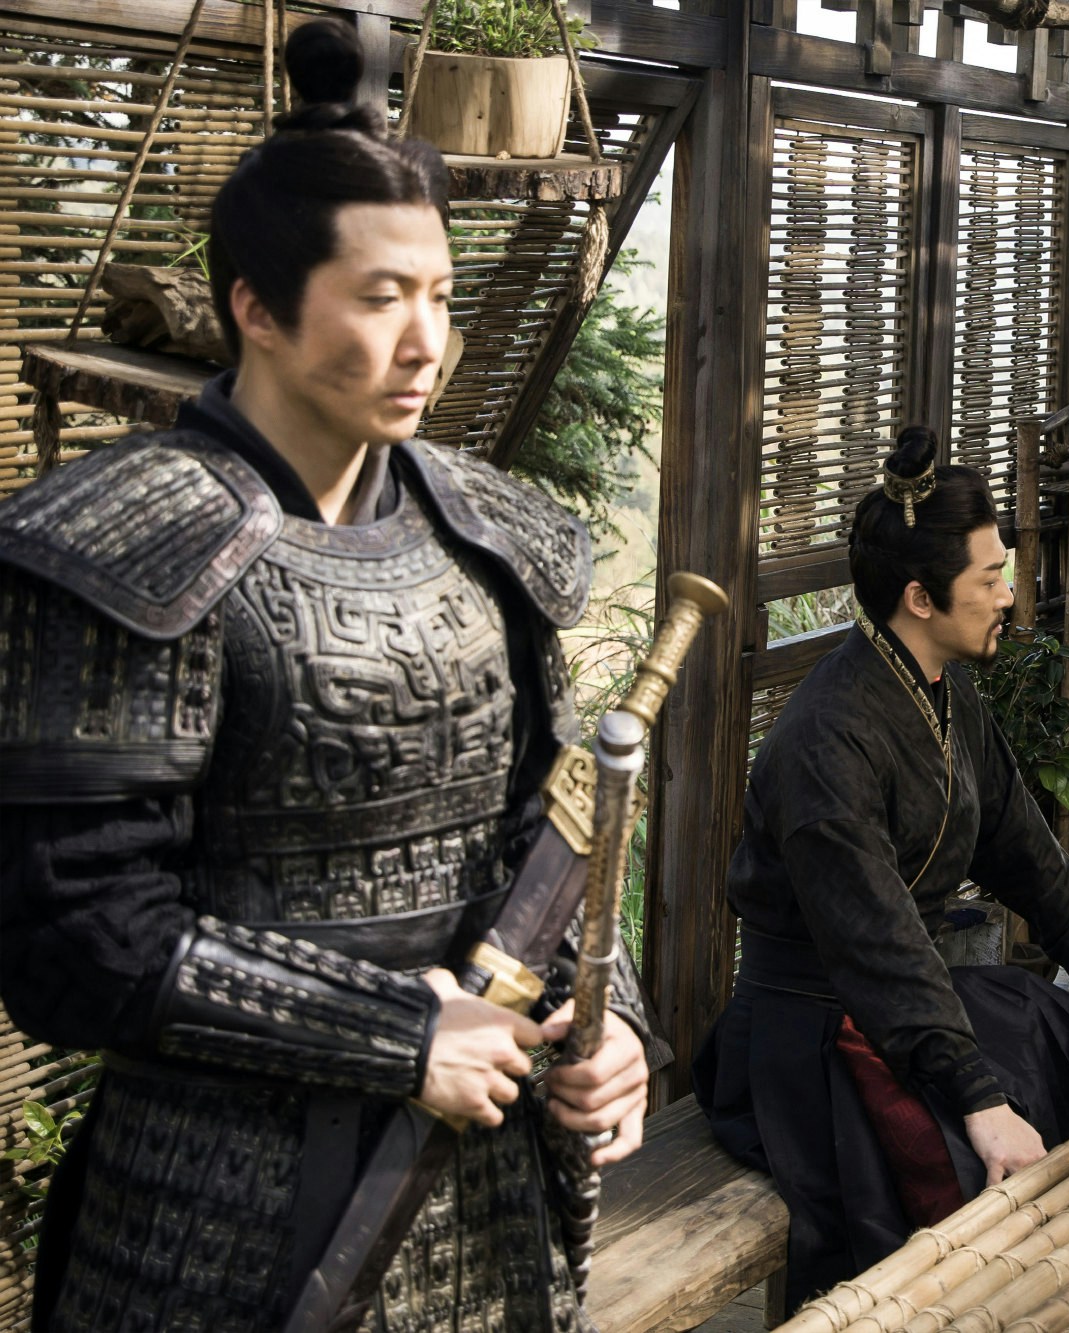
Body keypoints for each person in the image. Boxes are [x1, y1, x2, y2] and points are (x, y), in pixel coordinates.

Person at [0, 21, 657, 1330]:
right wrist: (391, 1033)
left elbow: (554, 839)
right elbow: (77, 942)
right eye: (379, 297)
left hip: (483, 1202)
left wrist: (608, 1024)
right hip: (215, 1209)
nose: (426, 342)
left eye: (439, 297)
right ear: (257, 306)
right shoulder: (124, 546)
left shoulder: (486, 536)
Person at [696, 426, 1069, 1314]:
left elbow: (1019, 842)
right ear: (920, 597)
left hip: (911, 1007)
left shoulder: (946, 690)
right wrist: (978, 1097)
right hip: (812, 1038)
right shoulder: (826, 740)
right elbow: (877, 940)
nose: (1008, 594)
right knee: (962, 1180)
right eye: (989, 579)